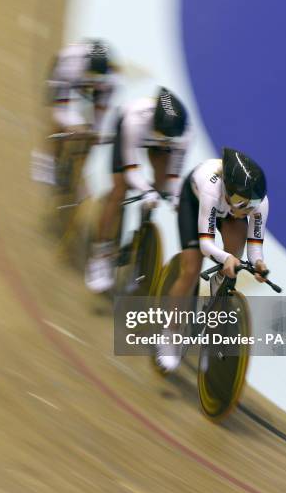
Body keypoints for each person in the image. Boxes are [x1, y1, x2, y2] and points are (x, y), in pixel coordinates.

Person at [156, 147, 269, 371]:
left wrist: (258, 264)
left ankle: (215, 303)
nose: (246, 208)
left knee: (234, 261)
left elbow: (254, 247)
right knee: (190, 270)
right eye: (240, 200)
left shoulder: (256, 204)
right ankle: (171, 332)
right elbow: (206, 245)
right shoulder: (212, 188)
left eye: (250, 204)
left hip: (226, 211)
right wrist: (225, 258)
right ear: (227, 188)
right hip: (195, 202)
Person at [85, 86, 191, 293]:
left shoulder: (184, 134)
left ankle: (139, 246)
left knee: (161, 186)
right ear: (155, 123)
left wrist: (174, 196)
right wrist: (146, 190)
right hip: (130, 135)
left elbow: (174, 177)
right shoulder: (135, 120)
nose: (165, 140)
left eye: (169, 138)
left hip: (156, 139)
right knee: (119, 189)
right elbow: (131, 170)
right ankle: (100, 253)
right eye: (162, 135)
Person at [31, 38, 119, 185]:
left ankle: (78, 173)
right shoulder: (69, 65)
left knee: (91, 133)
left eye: (98, 79)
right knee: (60, 124)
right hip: (68, 79)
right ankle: (47, 159)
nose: (95, 82)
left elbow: (101, 110)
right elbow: (59, 110)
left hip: (89, 82)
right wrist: (74, 125)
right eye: (92, 77)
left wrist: (95, 131)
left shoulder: (112, 80)